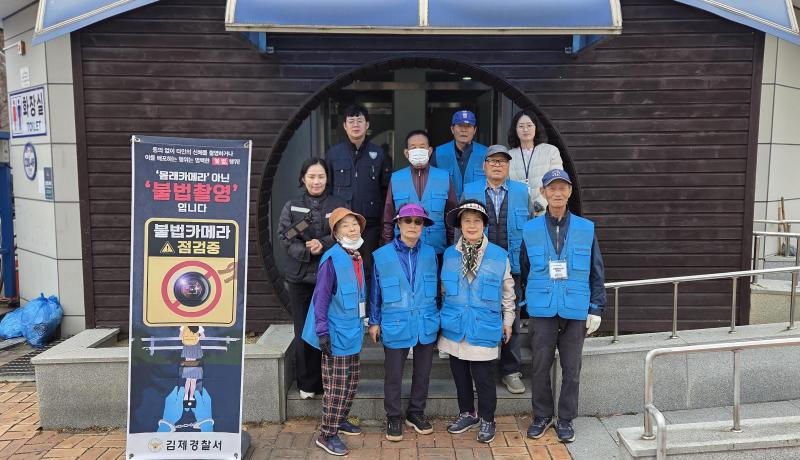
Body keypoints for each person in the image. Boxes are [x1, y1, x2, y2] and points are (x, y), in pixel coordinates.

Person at [520, 169, 606, 444]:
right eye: (551, 188)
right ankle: (542, 416)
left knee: (572, 368)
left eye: (562, 188)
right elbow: (524, 268)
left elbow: (597, 271)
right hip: (542, 309)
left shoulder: (585, 228)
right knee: (540, 366)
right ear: (544, 193)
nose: (557, 193)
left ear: (569, 192)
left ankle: (566, 419)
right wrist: (526, 302)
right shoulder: (530, 229)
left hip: (575, 307)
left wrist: (596, 308)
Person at [439, 200, 515, 444]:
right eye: (466, 220)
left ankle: (487, 418)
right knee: (459, 374)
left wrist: (509, 320)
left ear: (484, 224)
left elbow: (508, 292)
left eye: (476, 220)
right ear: (460, 225)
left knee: (483, 377)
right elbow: (443, 290)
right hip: (455, 325)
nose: (471, 225)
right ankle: (467, 413)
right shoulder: (450, 254)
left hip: (484, 324)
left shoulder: (499, 255)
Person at [462, 145, 531, 395]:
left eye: (502, 161)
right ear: (484, 165)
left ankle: (511, 370)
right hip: (481, 263)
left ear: (508, 165)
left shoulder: (522, 191)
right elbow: (463, 227)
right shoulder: (470, 190)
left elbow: (530, 228)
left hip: (512, 263)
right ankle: (481, 368)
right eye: (492, 161)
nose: (497, 165)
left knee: (510, 313)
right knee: (481, 313)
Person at [301, 208, 369, 456]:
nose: (352, 229)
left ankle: (339, 419)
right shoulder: (331, 259)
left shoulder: (356, 256)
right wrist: (322, 333)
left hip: (352, 330)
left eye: (354, 224)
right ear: (336, 233)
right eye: (345, 226)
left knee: (350, 383)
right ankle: (326, 433)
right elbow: (320, 299)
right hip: (335, 333)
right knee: (337, 386)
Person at [369, 204, 439, 441]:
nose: (412, 226)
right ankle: (394, 416)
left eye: (418, 222)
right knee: (394, 373)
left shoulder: (430, 253)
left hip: (425, 321)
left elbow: (437, 290)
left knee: (423, 372)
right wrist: (374, 321)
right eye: (407, 221)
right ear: (398, 224)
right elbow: (375, 291)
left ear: (423, 227)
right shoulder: (381, 255)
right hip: (394, 321)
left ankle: (416, 413)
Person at [278, 158, 346, 400]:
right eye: (312, 176)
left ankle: (329, 381)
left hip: (329, 276)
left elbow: (344, 232)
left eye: (321, 176)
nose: (317, 181)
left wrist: (323, 243)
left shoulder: (338, 205)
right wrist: (308, 251)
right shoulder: (293, 206)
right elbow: (285, 237)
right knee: (303, 330)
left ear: (327, 178)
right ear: (303, 178)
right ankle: (307, 383)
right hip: (299, 278)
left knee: (328, 329)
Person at [326, 104, 392, 279]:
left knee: (368, 269)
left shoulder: (379, 154)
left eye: (360, 121)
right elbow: (328, 189)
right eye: (351, 121)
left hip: (370, 226)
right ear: (345, 126)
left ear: (367, 125)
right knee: (342, 269)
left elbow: (386, 191)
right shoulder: (333, 154)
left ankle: (367, 307)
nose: (356, 125)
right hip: (342, 224)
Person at [382, 129, 458, 255]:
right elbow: (388, 216)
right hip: (403, 250)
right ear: (406, 153)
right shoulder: (396, 178)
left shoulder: (444, 177)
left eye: (422, 147)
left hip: (437, 249)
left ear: (430, 150)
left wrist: (452, 250)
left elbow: (451, 218)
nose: (418, 150)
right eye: (413, 147)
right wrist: (388, 247)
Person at [507, 110, 563, 216]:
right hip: (518, 213)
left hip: (546, 211)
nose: (525, 129)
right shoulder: (509, 156)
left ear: (536, 127)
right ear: (515, 129)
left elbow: (556, 181)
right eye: (521, 126)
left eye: (529, 125)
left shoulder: (550, 151)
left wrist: (539, 205)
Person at [432, 110, 489, 199]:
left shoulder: (486, 153)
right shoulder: (439, 153)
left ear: (474, 130)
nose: (464, 130)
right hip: (446, 209)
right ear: (452, 129)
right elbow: (431, 183)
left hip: (476, 209)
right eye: (460, 126)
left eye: (468, 126)